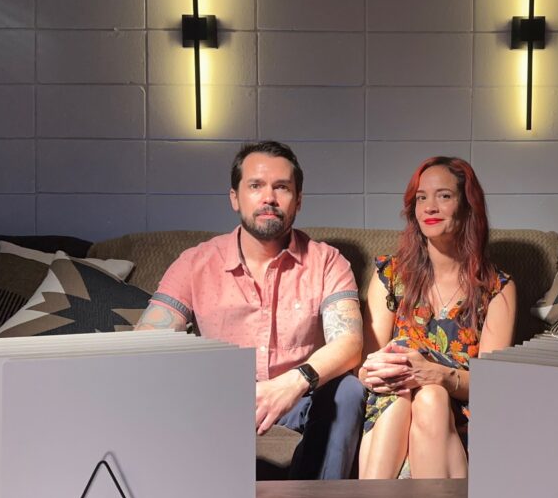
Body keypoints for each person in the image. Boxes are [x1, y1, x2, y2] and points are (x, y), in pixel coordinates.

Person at [135, 140, 366, 479]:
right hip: (218, 396)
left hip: (300, 396)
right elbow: (145, 342)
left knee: (349, 391)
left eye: (281, 187)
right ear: (235, 197)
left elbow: (349, 344)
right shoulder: (196, 262)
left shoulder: (327, 261)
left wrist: (292, 383)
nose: (268, 197)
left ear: (298, 201)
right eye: (256, 186)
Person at [356, 157, 516, 479]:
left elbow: (493, 385)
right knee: (401, 394)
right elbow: (366, 365)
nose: (430, 207)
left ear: (468, 207)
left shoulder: (496, 287)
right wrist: (375, 373)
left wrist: (437, 375)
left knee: (431, 397)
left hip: (457, 415)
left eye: (443, 196)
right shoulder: (390, 275)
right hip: (394, 406)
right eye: (421, 198)